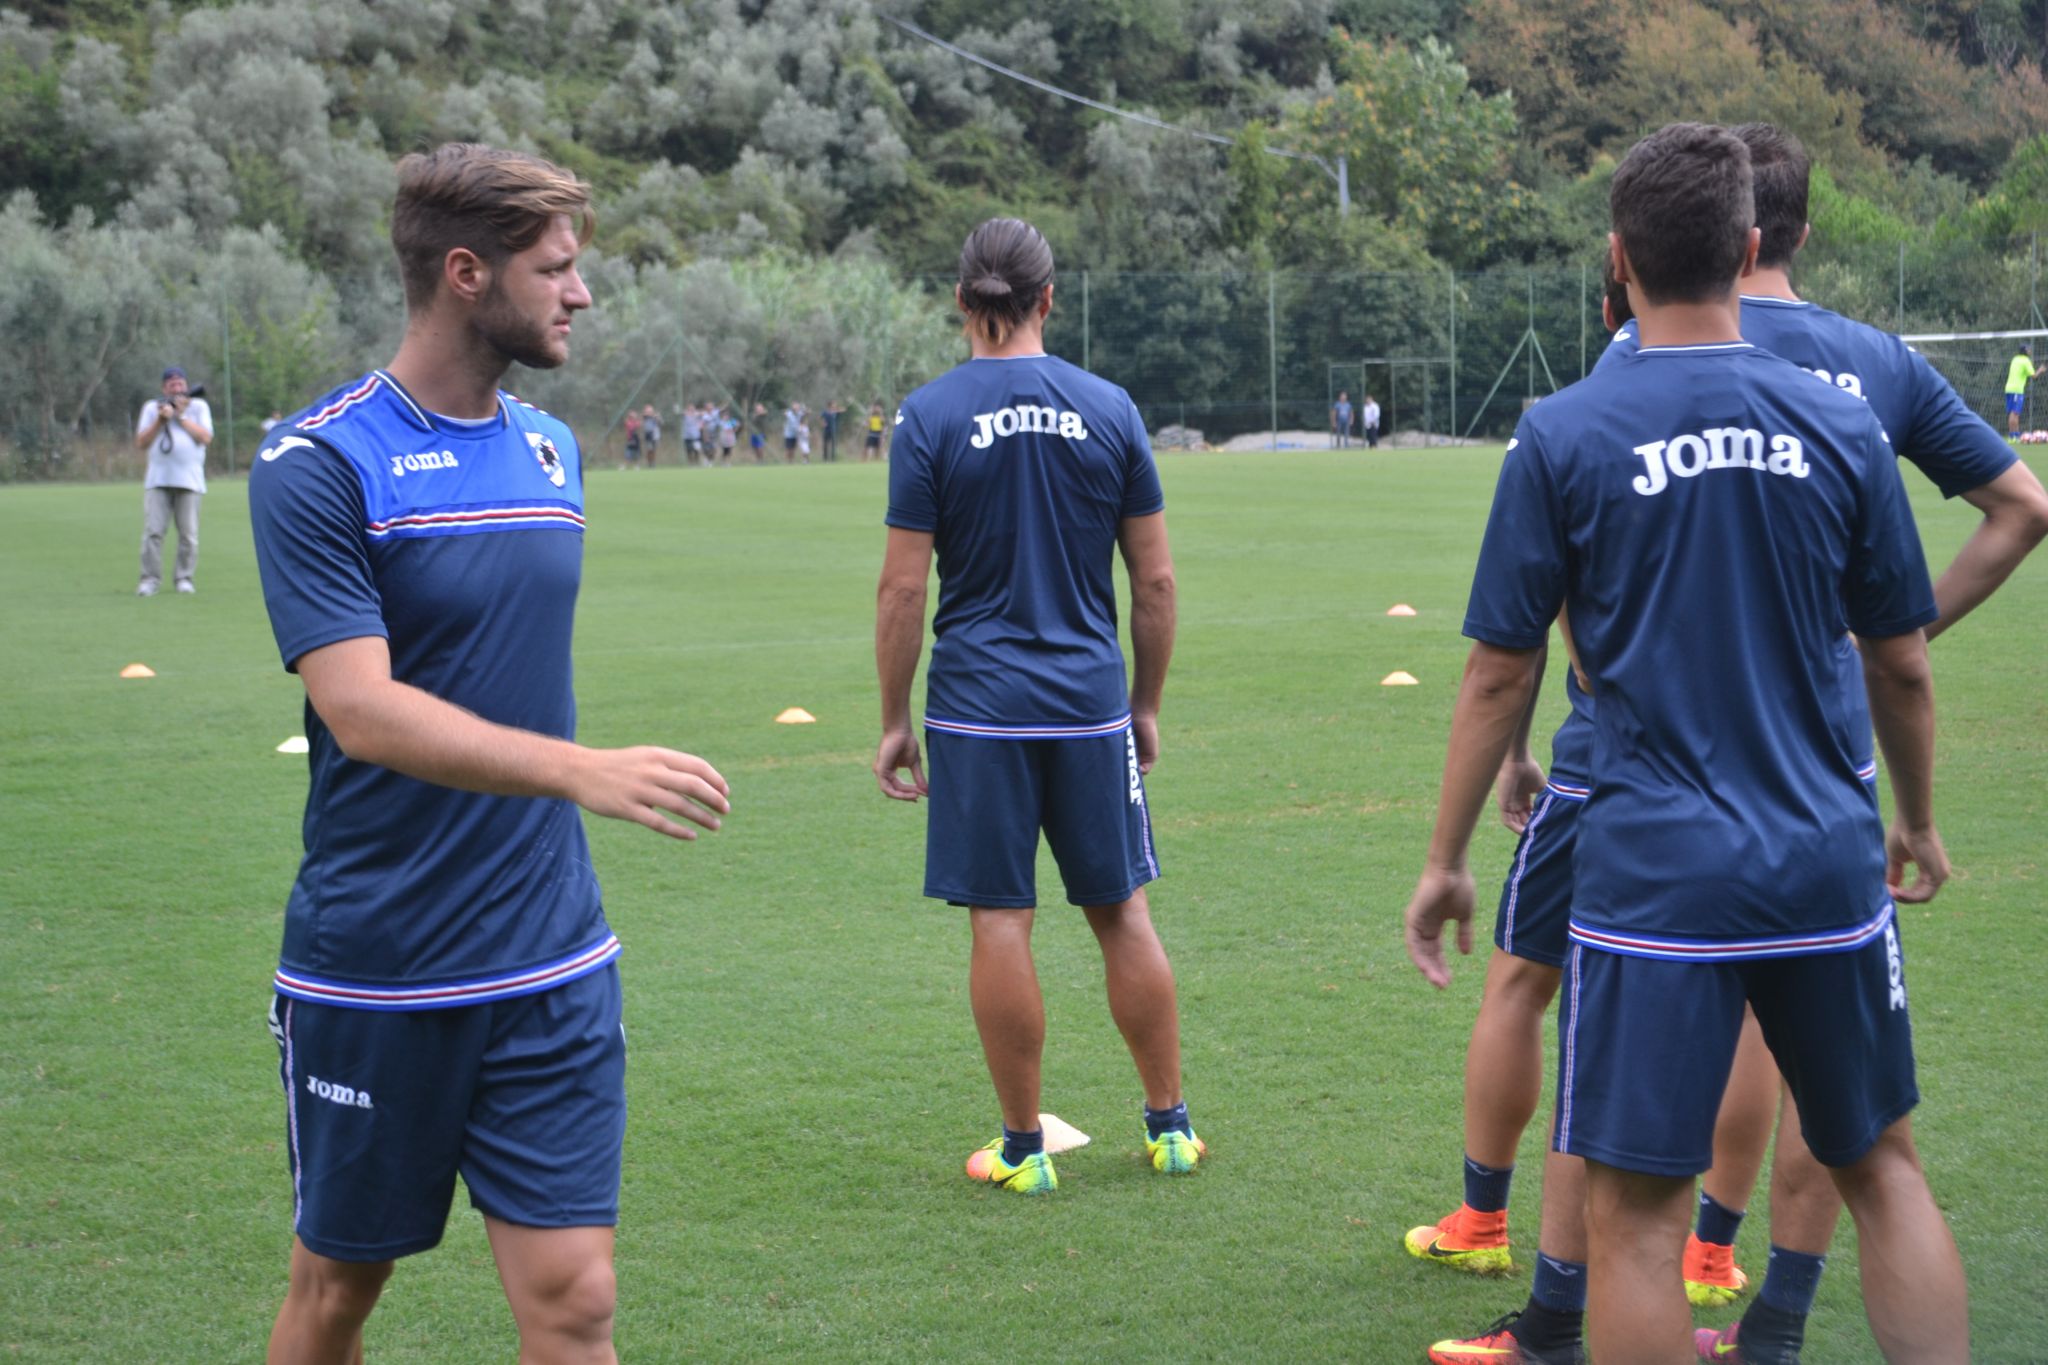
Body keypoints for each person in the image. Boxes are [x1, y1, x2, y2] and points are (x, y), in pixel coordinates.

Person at [1415, 123, 2048, 1365]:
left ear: (1617, 259)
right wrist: (1910, 818)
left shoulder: (1565, 428)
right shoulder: (1842, 417)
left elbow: (1504, 668)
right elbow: (1901, 656)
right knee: (1885, 1171)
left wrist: (1444, 855)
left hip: (1650, 869)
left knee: (1633, 1217)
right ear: (1753, 246)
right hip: (1823, 854)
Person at [246, 142, 731, 1365]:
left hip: (551, 956)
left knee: (575, 1304)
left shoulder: (552, 454)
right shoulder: (319, 463)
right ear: (466, 273)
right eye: (556, 269)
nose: (580, 294)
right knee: (334, 1297)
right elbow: (361, 709)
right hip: (378, 968)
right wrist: (580, 770)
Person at [874, 216, 1200, 1195]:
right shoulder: (1109, 408)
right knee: (1121, 912)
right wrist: (1142, 703)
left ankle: (1022, 1151)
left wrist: (893, 719)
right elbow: (1155, 585)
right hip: (1089, 702)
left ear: (962, 304)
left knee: (1000, 922)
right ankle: (1170, 1127)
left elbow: (901, 592)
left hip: (976, 708)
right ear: (1046, 300)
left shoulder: (927, 417)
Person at [134, 365, 213, 596]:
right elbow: (141, 443)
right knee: (153, 532)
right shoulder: (152, 408)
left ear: (186, 386)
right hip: (158, 480)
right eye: (171, 384)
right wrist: (161, 420)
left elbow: (205, 437)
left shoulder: (198, 407)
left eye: (180, 384)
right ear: (163, 387)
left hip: (190, 480)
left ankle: (184, 578)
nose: (176, 388)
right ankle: (149, 580)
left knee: (188, 535)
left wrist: (181, 416)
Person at [2006, 342, 2034, 437]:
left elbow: (2020, 373)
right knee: (2015, 413)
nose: (2030, 351)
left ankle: (2012, 436)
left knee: (2012, 412)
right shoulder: (2026, 361)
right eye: (2029, 349)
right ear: (2025, 351)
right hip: (2017, 390)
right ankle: (2015, 435)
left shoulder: (2015, 359)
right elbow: (2034, 375)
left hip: (2009, 388)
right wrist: (2042, 370)